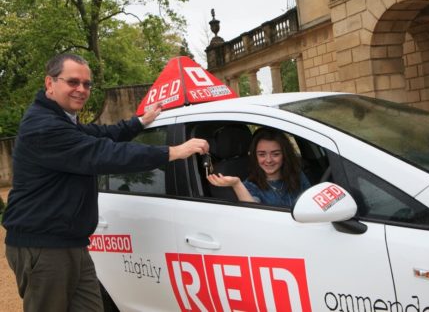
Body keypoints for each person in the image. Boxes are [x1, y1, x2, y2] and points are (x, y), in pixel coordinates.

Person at [1, 53, 209, 312]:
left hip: (70, 242)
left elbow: (101, 133)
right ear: (49, 83)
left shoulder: (62, 120)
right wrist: (172, 152)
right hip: (43, 246)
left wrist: (139, 122)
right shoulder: (44, 127)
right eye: (73, 82)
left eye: (86, 84)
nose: (81, 90)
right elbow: (103, 153)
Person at [207, 127, 310, 207]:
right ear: (255, 156)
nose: (268, 160)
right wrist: (237, 184)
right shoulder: (251, 186)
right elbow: (253, 212)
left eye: (275, 154)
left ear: (285, 155)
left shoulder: (297, 174)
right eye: (262, 154)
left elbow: (312, 201)